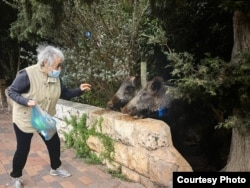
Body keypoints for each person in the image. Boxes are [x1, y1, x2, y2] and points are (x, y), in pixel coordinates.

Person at [8, 45, 91, 188]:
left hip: (43, 118)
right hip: (25, 118)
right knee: (23, 149)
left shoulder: (56, 77)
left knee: (54, 143)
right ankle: (16, 176)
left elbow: (64, 93)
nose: (59, 68)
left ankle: (56, 168)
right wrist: (26, 101)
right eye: (57, 65)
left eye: (60, 65)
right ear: (46, 62)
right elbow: (11, 91)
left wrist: (79, 90)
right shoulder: (27, 74)